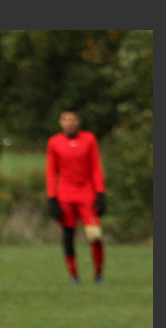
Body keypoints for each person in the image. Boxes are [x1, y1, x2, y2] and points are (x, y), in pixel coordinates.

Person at [45, 107, 107, 284]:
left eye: (72, 119)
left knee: (95, 236)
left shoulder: (89, 139)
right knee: (68, 236)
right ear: (61, 122)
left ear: (78, 122)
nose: (69, 123)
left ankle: (99, 274)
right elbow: (51, 171)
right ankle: (74, 276)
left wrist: (101, 193)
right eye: (66, 119)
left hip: (87, 195)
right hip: (64, 196)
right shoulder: (54, 142)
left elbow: (96, 167)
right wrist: (52, 197)